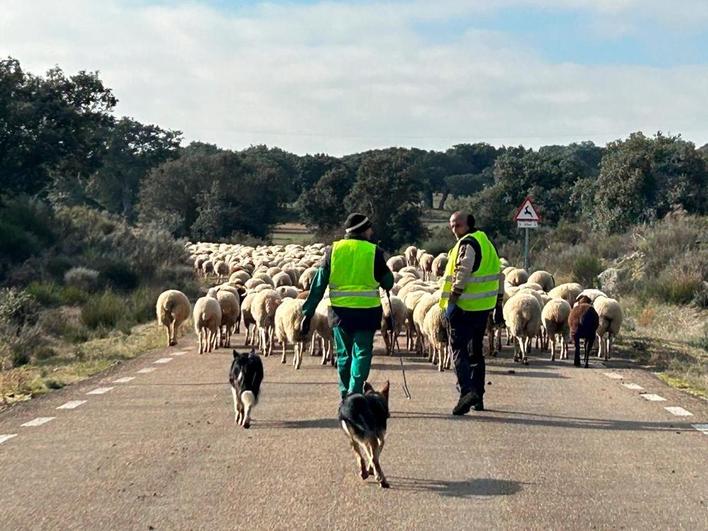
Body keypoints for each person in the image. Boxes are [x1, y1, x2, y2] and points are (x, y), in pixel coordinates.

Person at [300, 213, 394, 399]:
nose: (372, 231)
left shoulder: (333, 251)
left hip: (340, 312)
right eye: (369, 228)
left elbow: (318, 285)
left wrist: (308, 312)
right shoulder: (373, 251)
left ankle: (345, 395)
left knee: (343, 355)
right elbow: (388, 282)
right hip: (367, 312)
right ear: (363, 230)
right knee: (362, 353)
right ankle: (355, 390)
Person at [440, 211, 504, 415]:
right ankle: (478, 396)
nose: (454, 229)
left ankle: (466, 391)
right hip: (483, 307)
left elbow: (463, 270)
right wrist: (499, 302)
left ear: (468, 224)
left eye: (457, 225)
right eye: (451, 225)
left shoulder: (467, 244)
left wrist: (453, 298)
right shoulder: (486, 242)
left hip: (464, 306)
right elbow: (499, 274)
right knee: (475, 351)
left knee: (458, 349)